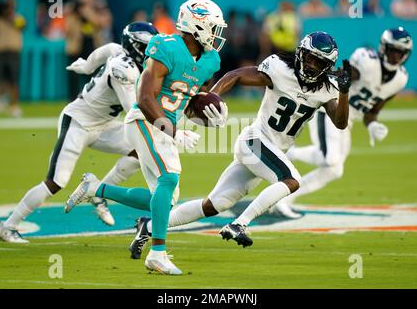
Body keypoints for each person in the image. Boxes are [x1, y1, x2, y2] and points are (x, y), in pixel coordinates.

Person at [122, 31, 351, 254]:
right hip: (256, 141)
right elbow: (237, 75)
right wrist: (211, 96)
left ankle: (149, 226)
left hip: (271, 152)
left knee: (214, 204)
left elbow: (340, 123)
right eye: (309, 58)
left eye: (319, 63)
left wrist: (344, 93)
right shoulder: (281, 69)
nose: (311, 66)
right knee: (291, 180)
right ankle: (239, 224)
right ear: (301, 53)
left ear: (327, 67)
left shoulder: (328, 89)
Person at [64, 0, 228, 275]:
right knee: (169, 177)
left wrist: (209, 116)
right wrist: (174, 132)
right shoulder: (166, 47)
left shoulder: (211, 60)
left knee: (166, 197)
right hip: (143, 119)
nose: (215, 34)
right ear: (196, 24)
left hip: (164, 123)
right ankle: (157, 253)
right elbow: (144, 97)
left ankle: (96, 189)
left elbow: (186, 100)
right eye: (211, 27)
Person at [0, 22, 159, 243]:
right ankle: (8, 226)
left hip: (104, 124)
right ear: (136, 47)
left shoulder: (117, 51)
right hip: (78, 122)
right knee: (56, 182)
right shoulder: (124, 70)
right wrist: (166, 128)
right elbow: (133, 111)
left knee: (139, 150)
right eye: (148, 48)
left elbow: (101, 52)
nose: (152, 53)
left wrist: (86, 66)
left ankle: (99, 192)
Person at [272, 27, 412, 217]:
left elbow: (372, 111)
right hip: (331, 110)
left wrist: (372, 123)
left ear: (406, 55)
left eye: (399, 52)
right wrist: (344, 75)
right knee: (331, 159)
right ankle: (285, 181)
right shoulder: (367, 61)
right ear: (383, 48)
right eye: (392, 50)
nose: (395, 56)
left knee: (334, 170)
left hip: (347, 120)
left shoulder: (401, 79)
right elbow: (342, 78)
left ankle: (286, 191)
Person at [0, 0, 25, 117]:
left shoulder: (18, 18)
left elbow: (21, 26)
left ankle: (14, 106)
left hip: (13, 51)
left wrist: (9, 15)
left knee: (14, 80)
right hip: (0, 51)